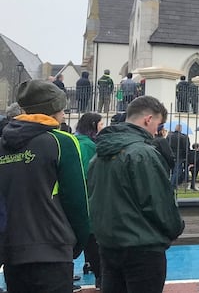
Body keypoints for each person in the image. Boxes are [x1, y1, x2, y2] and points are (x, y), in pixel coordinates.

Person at [0, 81, 90, 292]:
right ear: (53, 109)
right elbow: (77, 201)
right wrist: (75, 243)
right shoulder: (62, 142)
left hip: (12, 251)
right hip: (53, 249)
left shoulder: (2, 144)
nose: (64, 114)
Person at [88, 95, 184, 293]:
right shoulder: (143, 154)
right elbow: (159, 203)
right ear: (148, 119)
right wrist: (175, 228)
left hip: (109, 245)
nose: (157, 131)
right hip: (143, 248)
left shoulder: (99, 155)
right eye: (158, 124)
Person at [75, 112, 105, 289]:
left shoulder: (75, 141)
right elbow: (89, 173)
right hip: (89, 197)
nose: (103, 127)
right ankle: (100, 276)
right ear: (93, 125)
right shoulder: (88, 145)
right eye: (101, 124)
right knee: (93, 237)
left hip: (77, 197)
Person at [168, 123, 190, 189]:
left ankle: (172, 183)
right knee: (177, 170)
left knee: (172, 170)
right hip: (179, 155)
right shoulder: (184, 137)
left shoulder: (169, 136)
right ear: (181, 129)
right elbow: (186, 148)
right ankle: (173, 184)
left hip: (170, 155)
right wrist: (186, 156)